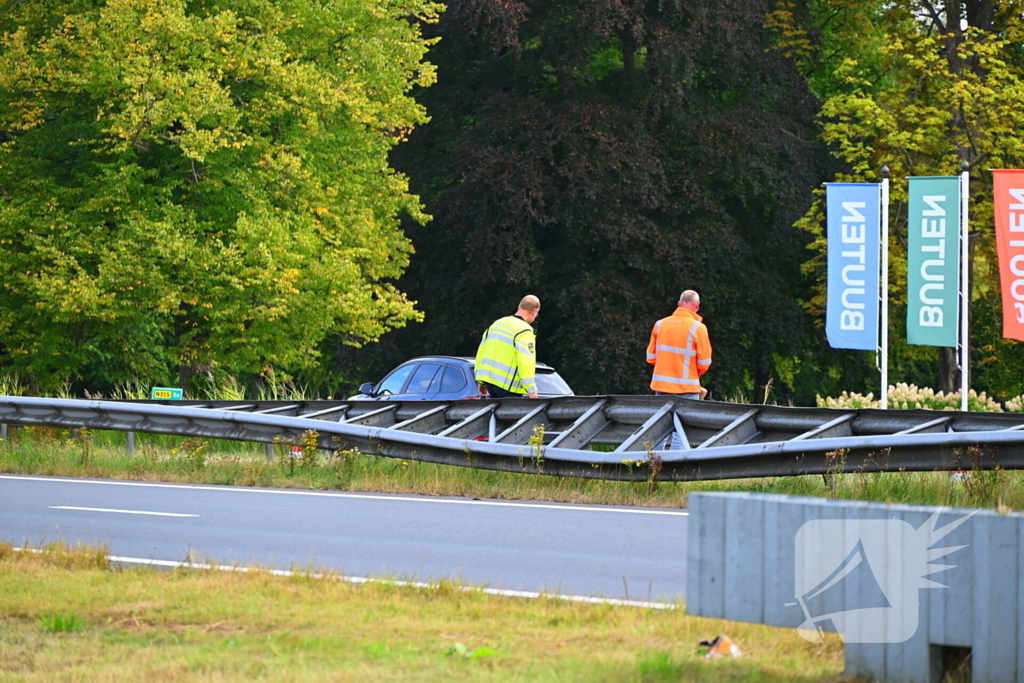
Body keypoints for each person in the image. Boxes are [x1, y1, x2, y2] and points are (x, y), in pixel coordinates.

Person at [647, 290, 712, 399]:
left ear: (678, 304)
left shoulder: (660, 324)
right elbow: (704, 363)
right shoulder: (698, 328)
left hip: (662, 388)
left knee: (662, 416)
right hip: (687, 389)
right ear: (697, 305)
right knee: (687, 416)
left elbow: (651, 357)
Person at [475, 295, 541, 398]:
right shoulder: (525, 330)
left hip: (490, 383)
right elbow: (525, 361)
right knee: (512, 414)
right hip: (509, 387)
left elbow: (482, 352)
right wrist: (531, 390)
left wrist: (481, 381)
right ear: (534, 312)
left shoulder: (496, 324)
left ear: (520, 307)